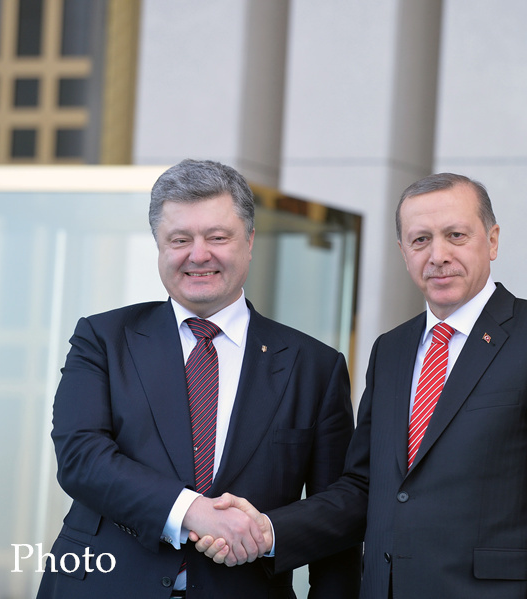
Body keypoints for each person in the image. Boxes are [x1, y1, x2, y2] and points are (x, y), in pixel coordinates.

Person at [200, 172, 527, 598]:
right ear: (403, 251)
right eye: (420, 240)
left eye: (456, 235)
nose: (438, 255)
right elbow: (364, 487)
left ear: (492, 241)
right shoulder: (391, 350)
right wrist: (269, 530)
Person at [36, 159, 361, 599]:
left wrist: (268, 532)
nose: (199, 254)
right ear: (159, 246)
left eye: (217, 237)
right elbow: (80, 456)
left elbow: (338, 510)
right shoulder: (103, 338)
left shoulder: (314, 366)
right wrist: (192, 511)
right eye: (180, 239)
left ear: (249, 241)